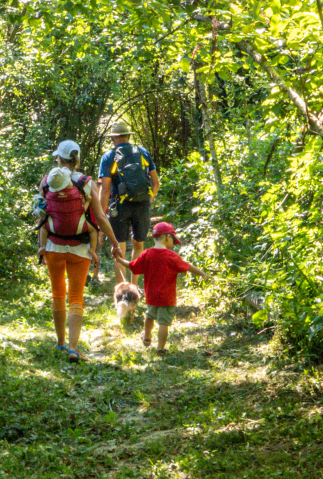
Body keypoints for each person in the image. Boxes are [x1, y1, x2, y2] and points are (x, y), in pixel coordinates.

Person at [37, 140, 122, 362]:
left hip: (53, 247)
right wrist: (113, 242)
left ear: (59, 159)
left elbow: (41, 215)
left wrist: (41, 244)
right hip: (80, 248)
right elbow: (101, 217)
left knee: (57, 293)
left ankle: (60, 343)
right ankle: (73, 348)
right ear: (77, 159)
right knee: (76, 296)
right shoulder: (86, 182)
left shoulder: (47, 181)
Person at [120, 221, 202, 356]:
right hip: (167, 297)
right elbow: (188, 267)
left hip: (151, 295)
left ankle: (146, 338)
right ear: (167, 237)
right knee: (163, 323)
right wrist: (203, 274)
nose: (172, 245)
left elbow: (132, 266)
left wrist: (118, 259)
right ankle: (160, 348)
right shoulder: (172, 256)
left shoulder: (147, 254)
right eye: (173, 241)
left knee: (149, 316)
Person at [97, 120, 159, 275]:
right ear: (128, 137)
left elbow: (105, 190)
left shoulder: (109, 157)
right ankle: (134, 286)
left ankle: (122, 289)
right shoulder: (142, 152)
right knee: (139, 244)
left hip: (119, 206)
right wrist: (147, 200)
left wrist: (100, 215)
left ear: (113, 138)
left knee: (119, 246)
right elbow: (156, 183)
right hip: (142, 204)